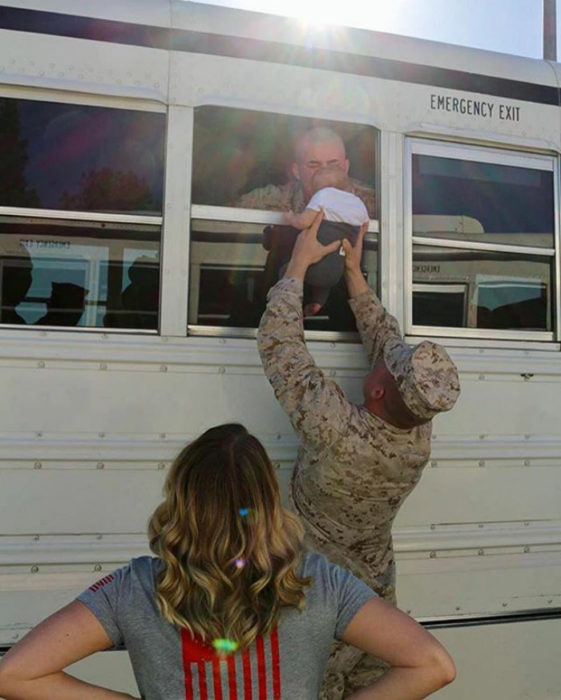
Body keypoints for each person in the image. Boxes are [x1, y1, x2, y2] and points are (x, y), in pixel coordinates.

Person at [0, 423, 455, 700]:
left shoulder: (135, 587)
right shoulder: (319, 581)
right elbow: (432, 665)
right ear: (267, 497)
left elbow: (16, 675)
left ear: (182, 498)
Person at [257, 211, 461, 699]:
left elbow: (280, 344)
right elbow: (386, 341)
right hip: (374, 600)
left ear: (374, 389)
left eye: (386, 368)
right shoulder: (416, 433)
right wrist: (354, 275)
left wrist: (297, 266)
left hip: (320, 605)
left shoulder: (338, 432)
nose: (386, 354)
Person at [235, 125, 376, 218]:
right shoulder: (271, 200)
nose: (324, 172)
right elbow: (226, 216)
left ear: (346, 167)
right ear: (297, 171)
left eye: (333, 164)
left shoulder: (371, 203)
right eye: (314, 165)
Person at [284, 167, 369, 316]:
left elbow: (303, 222)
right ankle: (318, 302)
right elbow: (364, 227)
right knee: (328, 269)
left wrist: (291, 218)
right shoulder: (359, 203)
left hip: (313, 264)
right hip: (336, 274)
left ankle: (290, 306)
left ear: (318, 190)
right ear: (349, 187)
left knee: (284, 272)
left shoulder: (324, 195)